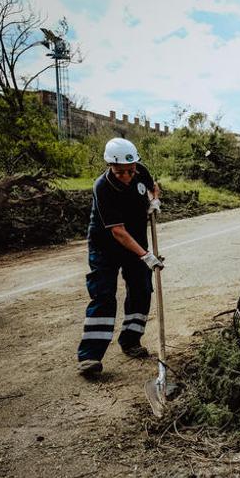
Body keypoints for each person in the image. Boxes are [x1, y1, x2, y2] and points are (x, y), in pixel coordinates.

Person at [77, 137, 164, 377]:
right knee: (104, 296)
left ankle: (131, 340)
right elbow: (118, 232)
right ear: (109, 166)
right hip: (106, 246)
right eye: (119, 172)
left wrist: (153, 199)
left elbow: (151, 186)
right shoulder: (102, 187)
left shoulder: (139, 170)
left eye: (130, 170)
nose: (126, 175)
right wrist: (146, 256)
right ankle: (90, 356)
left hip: (135, 239)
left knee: (141, 289)